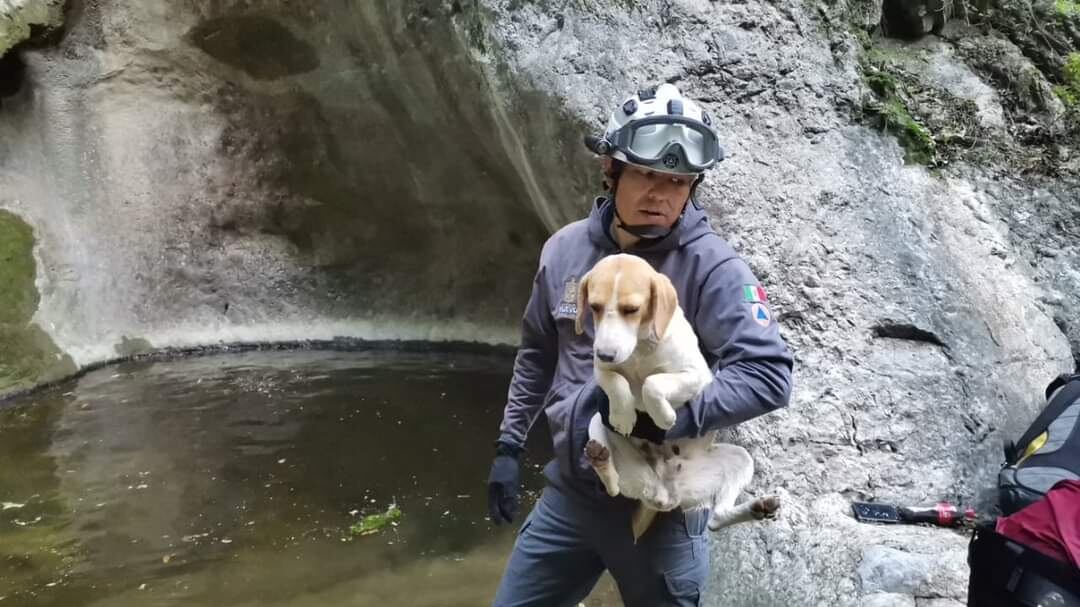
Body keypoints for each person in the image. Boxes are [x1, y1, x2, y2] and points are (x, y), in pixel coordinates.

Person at [487, 83, 794, 606]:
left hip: (666, 505)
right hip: (574, 492)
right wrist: (510, 445)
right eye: (648, 175)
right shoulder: (565, 251)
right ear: (611, 170)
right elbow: (538, 352)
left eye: (678, 182)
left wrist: (667, 415)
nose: (662, 194)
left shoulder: (713, 268)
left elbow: (768, 375)